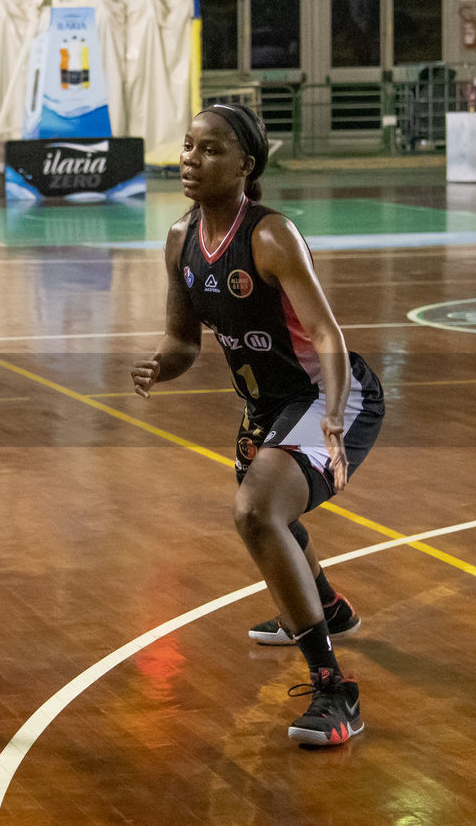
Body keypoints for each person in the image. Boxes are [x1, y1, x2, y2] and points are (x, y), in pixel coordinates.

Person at [131, 104, 384, 747]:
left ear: (246, 164)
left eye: (211, 150)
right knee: (274, 517)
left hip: (329, 394)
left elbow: (327, 333)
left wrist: (331, 413)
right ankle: (325, 606)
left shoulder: (271, 237)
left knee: (255, 512)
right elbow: (182, 339)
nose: (192, 159)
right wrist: (164, 363)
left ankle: (335, 690)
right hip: (265, 407)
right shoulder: (180, 239)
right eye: (188, 147)